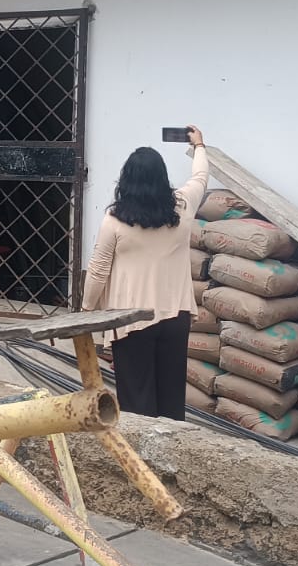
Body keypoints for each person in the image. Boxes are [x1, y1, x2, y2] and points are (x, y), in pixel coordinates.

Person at [81, 129, 207, 420]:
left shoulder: (115, 220)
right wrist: (199, 145)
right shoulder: (183, 207)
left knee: (137, 403)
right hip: (175, 317)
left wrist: (87, 311)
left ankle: (141, 450)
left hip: (132, 323)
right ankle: (170, 447)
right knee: (171, 401)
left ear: (126, 181)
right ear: (163, 178)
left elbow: (98, 270)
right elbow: (201, 177)